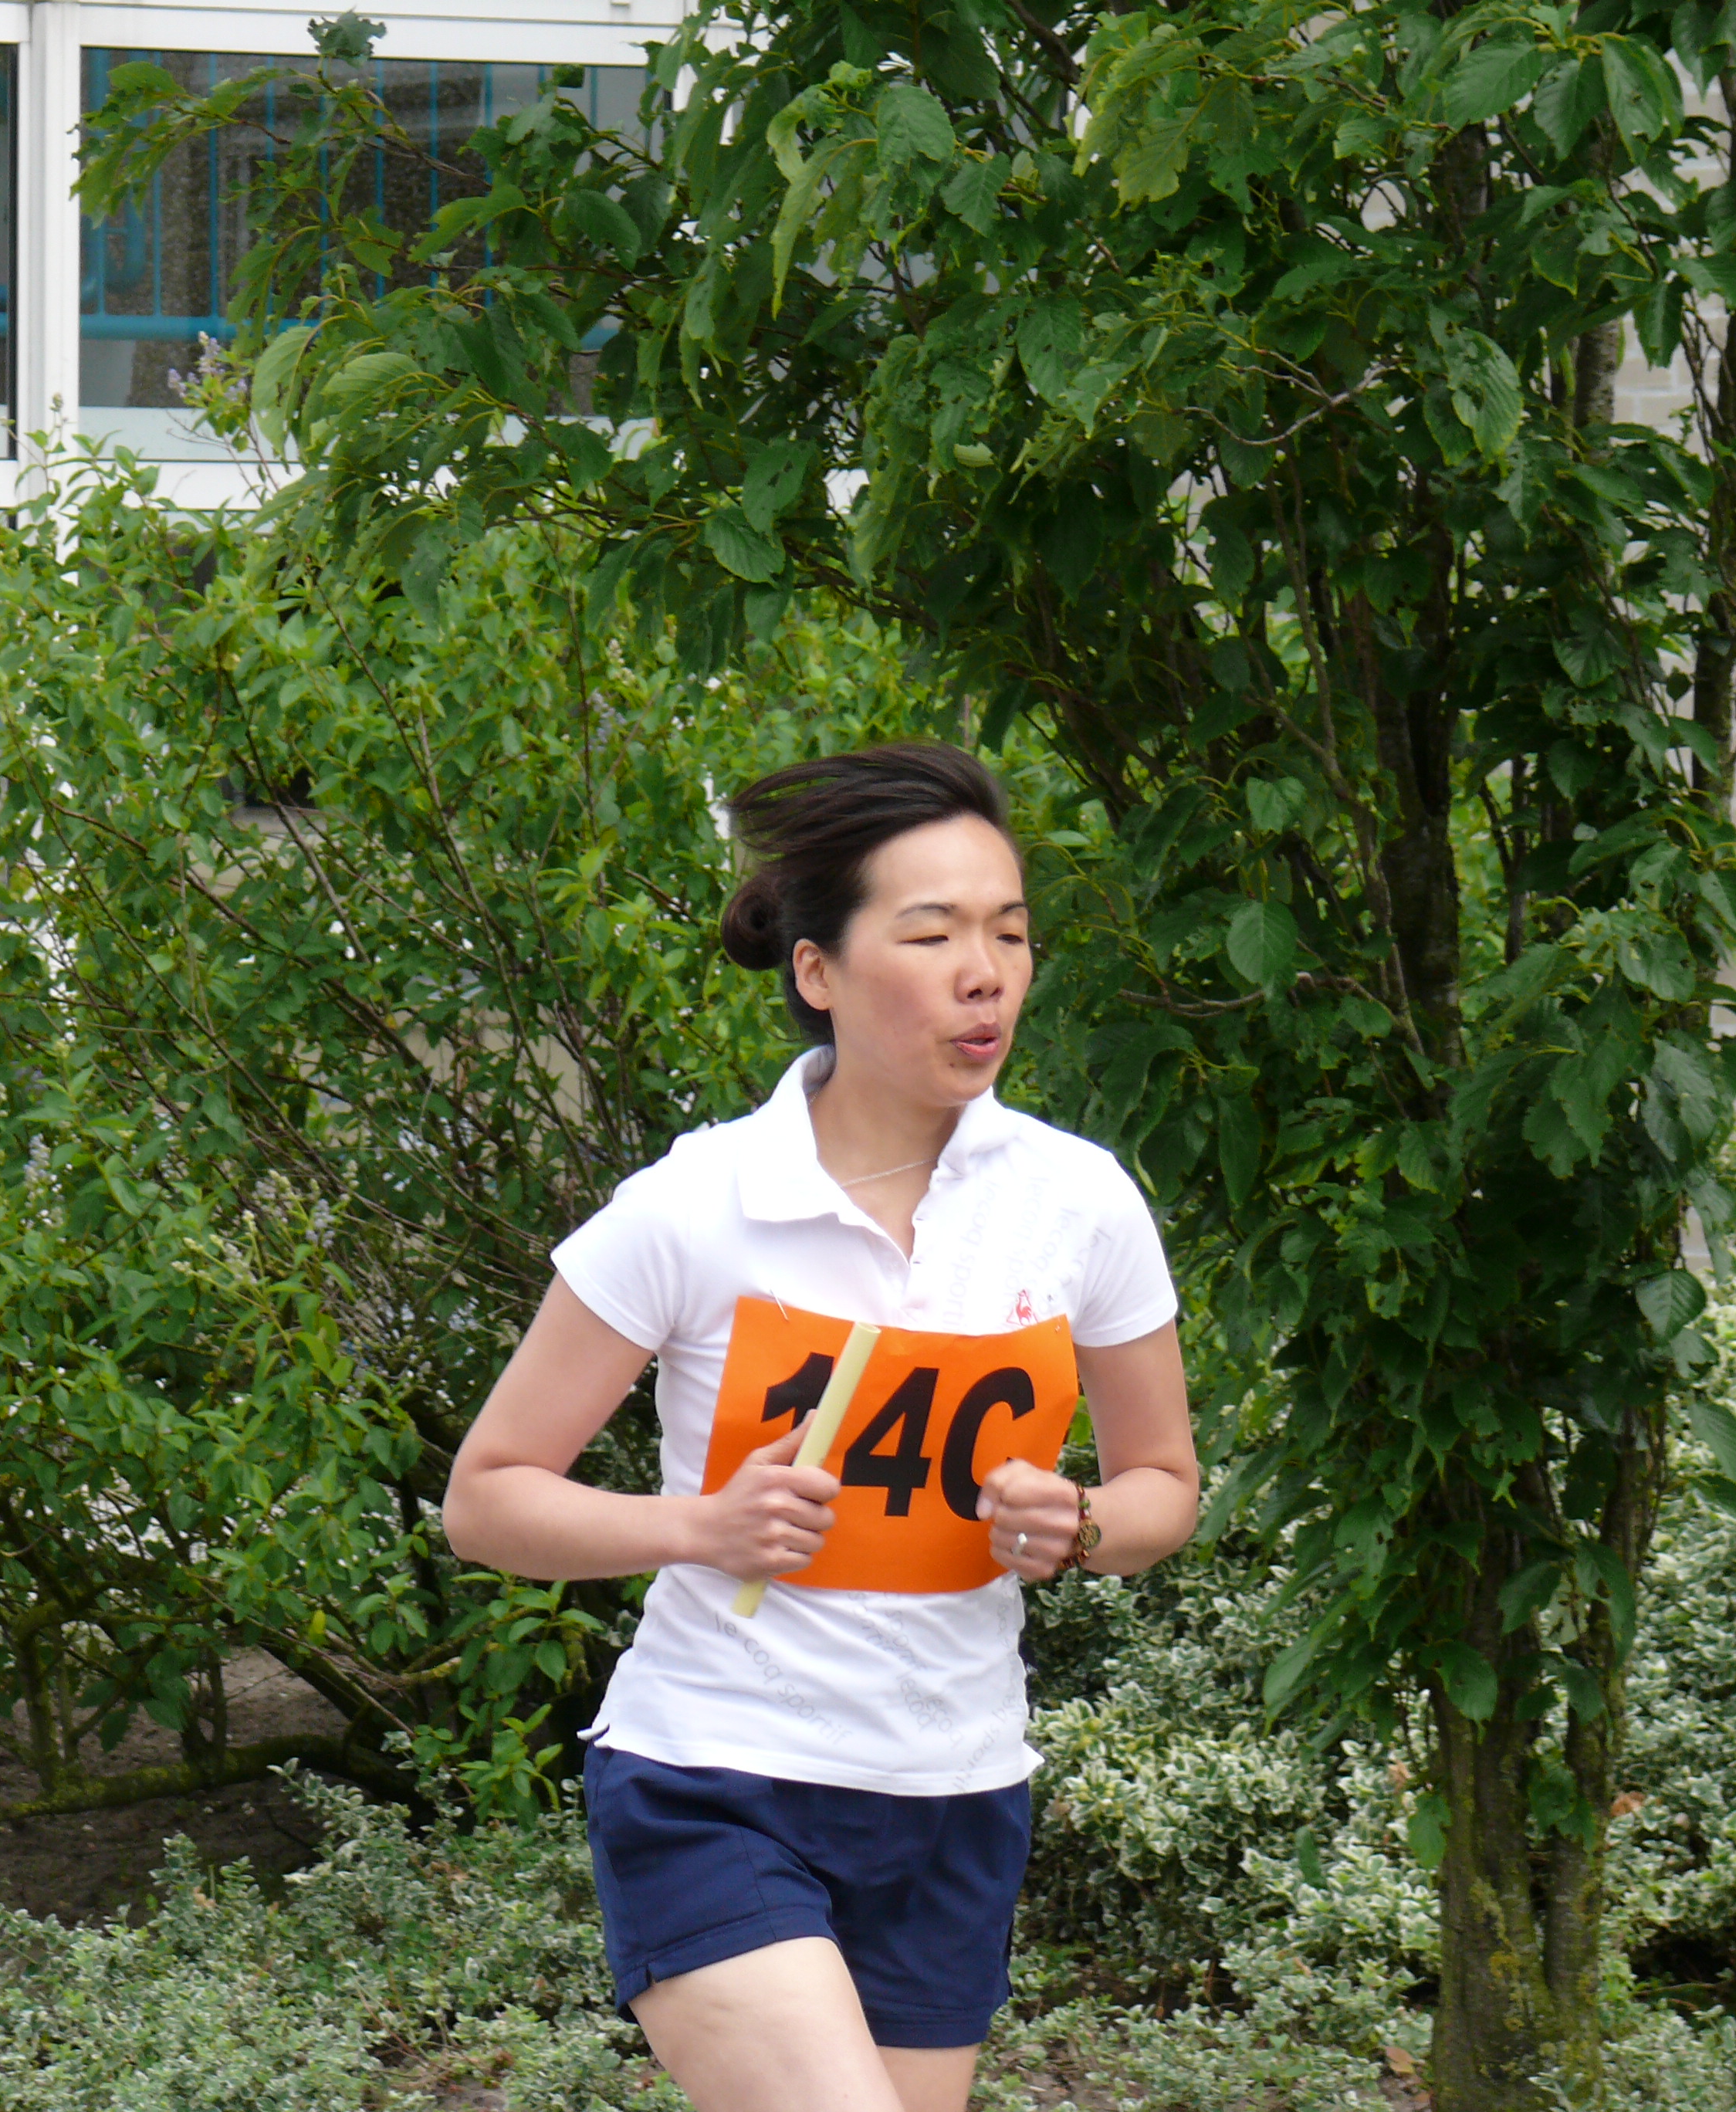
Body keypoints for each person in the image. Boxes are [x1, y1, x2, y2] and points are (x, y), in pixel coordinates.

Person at [442, 740, 1200, 2112]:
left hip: (955, 1795)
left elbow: (1163, 1483)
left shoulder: (1080, 1202)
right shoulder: (695, 1206)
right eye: (934, 933)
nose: (986, 972)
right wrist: (702, 1526)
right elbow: (487, 1497)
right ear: (819, 972)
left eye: (1010, 932)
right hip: (718, 1777)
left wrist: (1081, 1521)